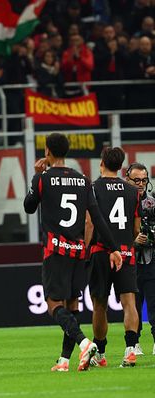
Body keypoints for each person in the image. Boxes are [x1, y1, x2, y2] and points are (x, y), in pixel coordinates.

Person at [23, 133, 123, 372]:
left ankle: (85, 343)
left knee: (53, 304)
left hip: (55, 250)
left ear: (47, 151)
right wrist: (115, 248)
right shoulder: (83, 180)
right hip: (78, 252)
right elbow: (97, 219)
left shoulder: (43, 179)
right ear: (66, 151)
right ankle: (64, 360)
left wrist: (37, 175)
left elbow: (28, 207)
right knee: (73, 305)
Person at [85, 147, 142, 368]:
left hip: (101, 252)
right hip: (126, 252)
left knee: (99, 305)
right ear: (121, 166)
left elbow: (89, 222)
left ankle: (99, 352)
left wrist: (86, 247)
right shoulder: (132, 191)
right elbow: (137, 229)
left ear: (102, 163)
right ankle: (130, 350)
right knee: (129, 302)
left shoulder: (93, 188)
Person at [126, 162, 155, 355]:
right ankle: (133, 343)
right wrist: (133, 241)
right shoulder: (122, 201)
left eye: (144, 180)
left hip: (152, 259)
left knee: (154, 303)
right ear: (127, 178)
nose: (141, 184)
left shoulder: (153, 203)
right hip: (131, 261)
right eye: (136, 180)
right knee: (133, 305)